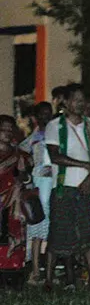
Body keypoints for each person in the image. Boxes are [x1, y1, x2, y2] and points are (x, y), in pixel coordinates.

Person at [43, 84, 90, 289]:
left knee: (88, 235)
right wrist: (84, 165)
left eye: (82, 99)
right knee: (58, 233)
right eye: (76, 99)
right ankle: (49, 281)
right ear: (66, 103)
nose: (80, 103)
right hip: (63, 186)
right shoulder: (54, 126)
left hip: (85, 187)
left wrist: (88, 175)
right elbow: (55, 156)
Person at [22, 101, 53, 286]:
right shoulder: (33, 138)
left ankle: (48, 271)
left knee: (52, 229)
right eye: (42, 113)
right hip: (40, 184)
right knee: (37, 227)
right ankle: (34, 271)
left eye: (49, 113)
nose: (46, 117)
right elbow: (21, 155)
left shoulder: (56, 134)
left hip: (55, 183)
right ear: (36, 116)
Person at [0, 117, 28, 282]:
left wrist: (21, 176)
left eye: (11, 129)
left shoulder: (17, 153)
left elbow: (24, 175)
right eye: (4, 129)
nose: (8, 133)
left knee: (12, 234)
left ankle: (12, 275)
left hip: (13, 200)